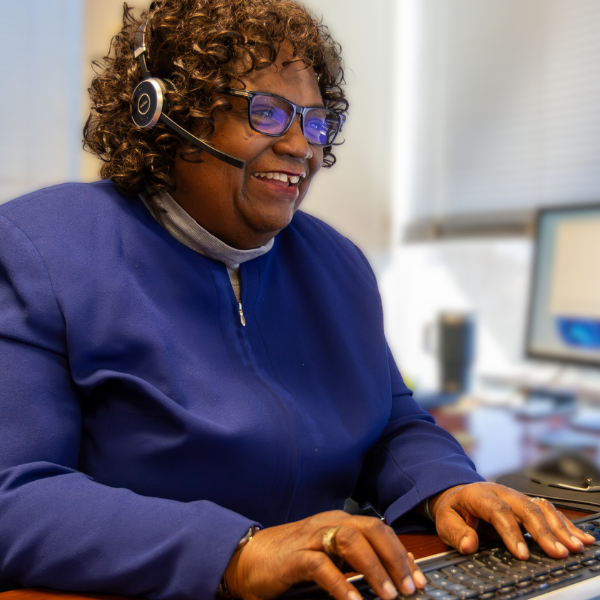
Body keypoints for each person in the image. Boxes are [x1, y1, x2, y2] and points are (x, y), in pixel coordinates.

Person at [0, 1, 593, 599]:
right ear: (170, 113)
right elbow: (13, 491)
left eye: (313, 122)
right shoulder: (41, 251)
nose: (300, 147)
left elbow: (389, 422)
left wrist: (445, 486)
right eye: (266, 113)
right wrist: (236, 552)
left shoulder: (335, 263)